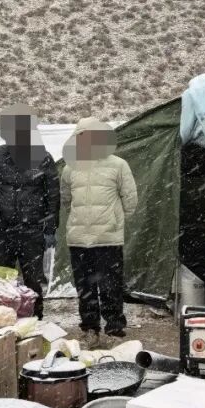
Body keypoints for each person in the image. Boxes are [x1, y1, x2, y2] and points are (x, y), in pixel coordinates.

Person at [61, 118, 138, 347]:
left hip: (107, 239)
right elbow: (66, 200)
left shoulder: (118, 165)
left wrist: (114, 222)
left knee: (111, 287)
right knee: (85, 289)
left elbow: (130, 199)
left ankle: (114, 331)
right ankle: (90, 331)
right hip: (79, 240)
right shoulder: (70, 168)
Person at [0, 105, 59, 319]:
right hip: (1, 229)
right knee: (0, 279)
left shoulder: (43, 158)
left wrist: (50, 228)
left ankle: (35, 318)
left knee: (33, 279)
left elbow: (52, 195)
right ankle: (1, 317)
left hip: (32, 230)